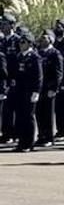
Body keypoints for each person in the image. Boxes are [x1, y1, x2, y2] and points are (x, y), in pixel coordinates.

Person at [10, 28, 40, 152]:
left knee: (29, 117)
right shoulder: (19, 56)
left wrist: (36, 91)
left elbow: (38, 76)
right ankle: (21, 142)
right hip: (19, 91)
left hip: (29, 91)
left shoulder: (34, 57)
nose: (20, 44)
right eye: (20, 42)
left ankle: (29, 142)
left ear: (29, 43)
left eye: (23, 42)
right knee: (20, 117)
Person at [34, 31, 62, 148]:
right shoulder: (39, 53)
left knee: (48, 114)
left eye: (45, 38)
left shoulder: (55, 53)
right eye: (42, 37)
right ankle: (41, 136)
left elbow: (59, 73)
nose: (42, 40)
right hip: (40, 88)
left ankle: (49, 137)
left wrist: (54, 88)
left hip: (49, 88)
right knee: (39, 113)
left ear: (51, 40)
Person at [0, 13, 18, 143]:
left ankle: (12, 133)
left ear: (12, 25)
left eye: (5, 24)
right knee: (4, 108)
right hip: (2, 78)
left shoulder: (17, 40)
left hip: (13, 79)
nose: (2, 26)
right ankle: (6, 132)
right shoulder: (2, 41)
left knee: (12, 108)